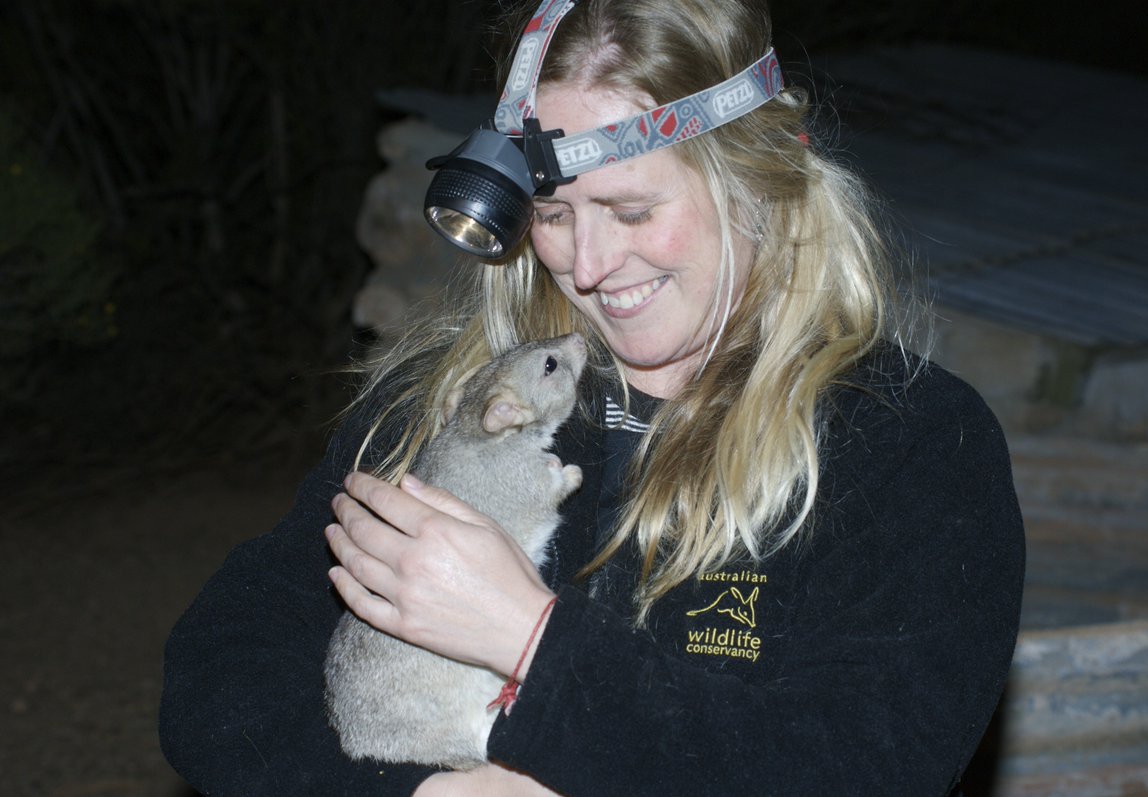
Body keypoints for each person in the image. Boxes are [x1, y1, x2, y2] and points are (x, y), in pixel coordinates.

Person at [159, 0, 1025, 794]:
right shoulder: (455, 410)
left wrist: (531, 639)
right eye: (555, 213)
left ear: (762, 178)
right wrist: (420, 792)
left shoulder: (910, 442)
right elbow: (222, 674)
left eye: (634, 210)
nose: (589, 265)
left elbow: (864, 763)